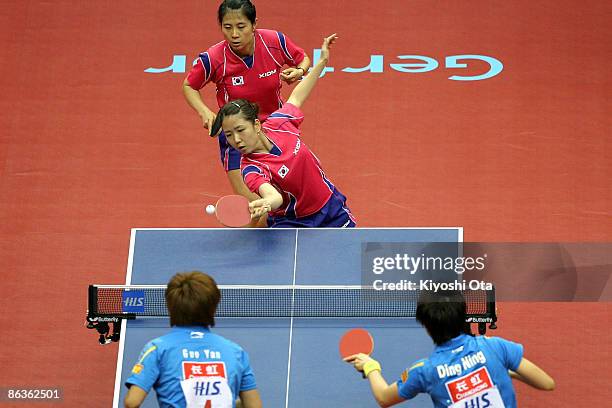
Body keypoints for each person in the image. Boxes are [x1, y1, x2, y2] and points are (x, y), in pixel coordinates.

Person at [210, 34, 356, 228]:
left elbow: (297, 96)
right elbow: (274, 197)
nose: (236, 140)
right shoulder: (251, 168)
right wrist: (266, 203)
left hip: (330, 209)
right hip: (293, 222)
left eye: (240, 130)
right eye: (229, 135)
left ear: (256, 124)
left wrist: (322, 62)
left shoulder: (280, 124)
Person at [183, 0, 311, 216]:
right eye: (227, 27)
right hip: (237, 137)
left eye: (241, 26)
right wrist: (204, 111)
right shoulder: (214, 58)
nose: (234, 34)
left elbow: (303, 59)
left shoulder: (274, 41)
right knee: (258, 207)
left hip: (275, 131)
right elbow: (189, 85)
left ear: (254, 24)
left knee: (291, 199)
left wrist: (299, 71)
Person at [344, 291, 555, 407]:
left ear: (427, 326)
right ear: (464, 316)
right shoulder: (495, 347)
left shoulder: (424, 371)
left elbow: (383, 397)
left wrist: (370, 366)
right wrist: (505, 371)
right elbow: (547, 384)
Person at [124, 271, 262, 408]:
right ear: (213, 307)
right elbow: (254, 406)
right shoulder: (236, 352)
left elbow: (132, 402)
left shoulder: (157, 349)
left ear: (171, 307)